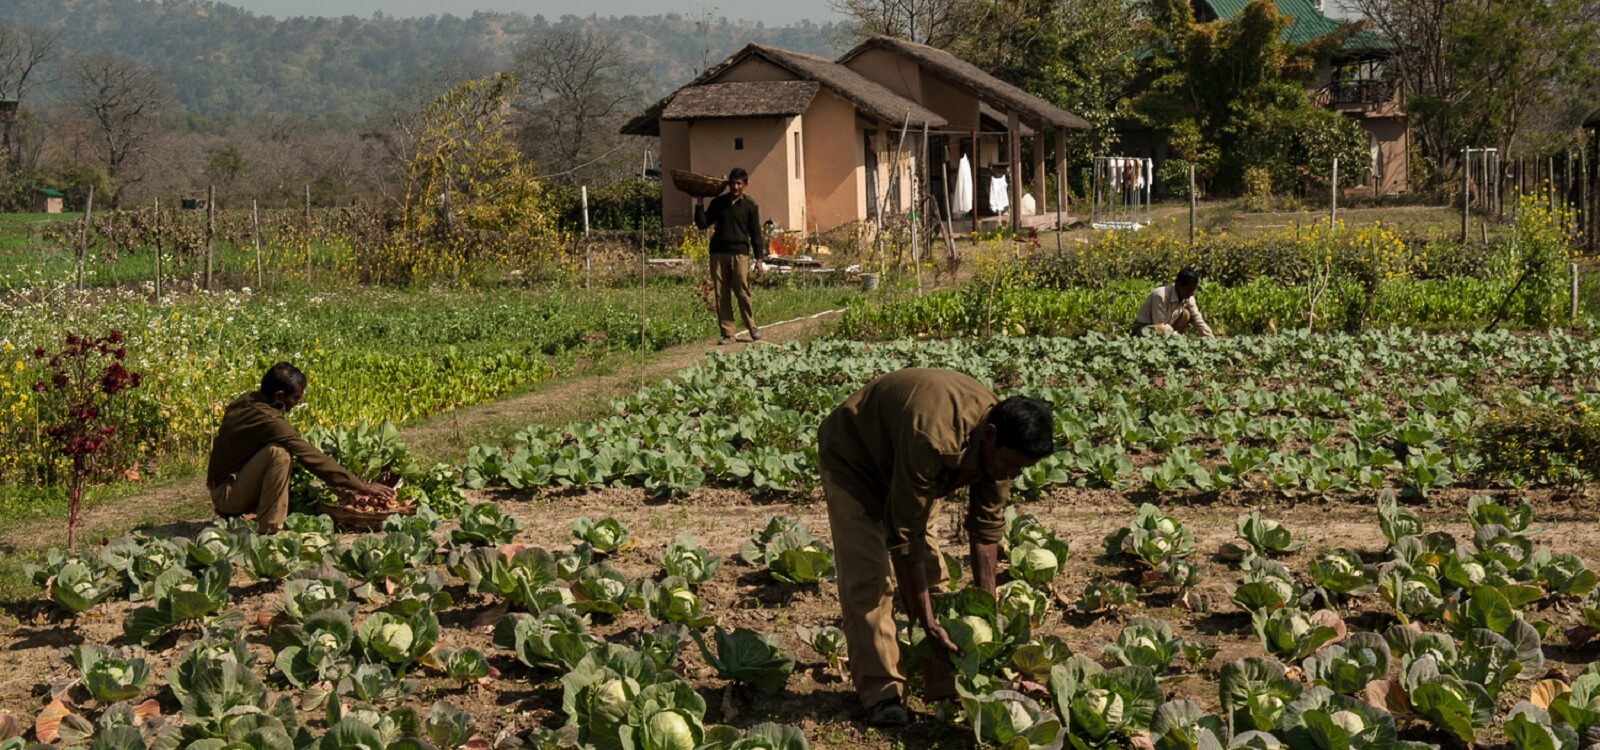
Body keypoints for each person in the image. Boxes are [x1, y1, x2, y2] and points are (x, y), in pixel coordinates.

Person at [816, 368, 1055, 726]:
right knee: (869, 582)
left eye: (1021, 469)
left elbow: (986, 530)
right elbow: (905, 537)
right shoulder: (934, 437)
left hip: (912, 471)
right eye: (1011, 465)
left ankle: (945, 684)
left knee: (935, 581)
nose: (1012, 474)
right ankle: (883, 694)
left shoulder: (1003, 450)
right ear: (990, 437)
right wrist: (925, 621)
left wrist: (985, 610)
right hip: (857, 462)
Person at [206, 362, 395, 533]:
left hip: (226, 486)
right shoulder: (269, 419)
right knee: (279, 454)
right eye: (296, 397)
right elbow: (309, 455)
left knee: (277, 449)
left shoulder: (250, 399)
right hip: (227, 495)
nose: (299, 402)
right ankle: (270, 528)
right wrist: (361, 486)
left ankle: (254, 513)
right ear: (279, 395)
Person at [694, 167, 767, 345]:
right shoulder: (719, 203)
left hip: (740, 254)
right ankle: (728, 333)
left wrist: (759, 259)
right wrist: (699, 203)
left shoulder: (750, 205)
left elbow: (756, 233)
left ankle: (752, 327)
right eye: (732, 183)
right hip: (718, 253)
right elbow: (703, 224)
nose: (735, 187)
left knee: (742, 290)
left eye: (739, 184)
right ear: (728, 184)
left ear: (745, 185)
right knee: (721, 293)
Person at [1133, 268, 1215, 337]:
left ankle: (1173, 342)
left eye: (1193, 290)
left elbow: (1198, 320)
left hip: (1168, 328)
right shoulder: (1160, 295)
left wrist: (1211, 339)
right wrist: (1179, 338)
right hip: (1145, 329)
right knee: (1160, 329)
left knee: (1186, 314)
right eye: (1188, 290)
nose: (1191, 293)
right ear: (1178, 285)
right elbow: (1159, 325)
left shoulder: (1189, 297)